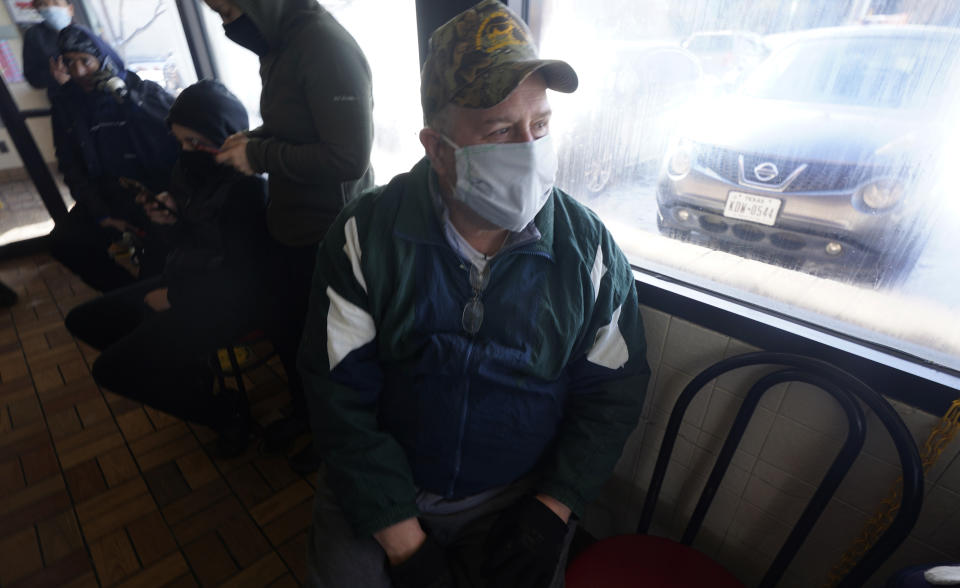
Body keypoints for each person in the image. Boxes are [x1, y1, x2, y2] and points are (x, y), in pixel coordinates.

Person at [297, 2, 650, 586]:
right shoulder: (366, 237)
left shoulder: (588, 254)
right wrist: (405, 543)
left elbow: (612, 395)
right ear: (437, 149)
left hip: (515, 494)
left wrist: (553, 508)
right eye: (500, 131)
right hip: (385, 482)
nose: (530, 149)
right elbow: (338, 397)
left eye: (540, 125)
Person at [201, 0, 375, 471]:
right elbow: (296, 125)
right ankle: (308, 415)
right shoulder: (281, 42)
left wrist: (259, 157)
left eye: (229, 9)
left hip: (328, 232)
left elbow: (348, 159)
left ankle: (334, 442)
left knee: (328, 351)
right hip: (291, 222)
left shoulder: (325, 46)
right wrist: (253, 140)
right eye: (218, 13)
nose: (227, 23)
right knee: (290, 332)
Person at [64, 80, 276, 456]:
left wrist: (176, 296)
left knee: (110, 370)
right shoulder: (187, 173)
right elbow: (190, 239)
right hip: (187, 281)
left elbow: (246, 279)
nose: (187, 152)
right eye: (180, 142)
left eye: (196, 142)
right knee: (83, 320)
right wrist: (169, 221)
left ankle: (223, 413)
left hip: (225, 304)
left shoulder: (247, 189)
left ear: (223, 137)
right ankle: (191, 375)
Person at [50, 25, 178, 292]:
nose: (78, 72)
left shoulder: (140, 91)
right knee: (64, 242)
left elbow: (175, 140)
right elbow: (69, 163)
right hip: (106, 195)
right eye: (69, 62)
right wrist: (102, 214)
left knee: (162, 255)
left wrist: (125, 98)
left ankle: (157, 290)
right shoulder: (66, 105)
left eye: (85, 60)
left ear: (104, 58)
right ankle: (123, 292)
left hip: (153, 191)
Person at [22, 0, 73, 95]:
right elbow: (32, 76)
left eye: (56, 3)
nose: (50, 9)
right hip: (62, 99)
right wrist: (53, 75)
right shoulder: (34, 35)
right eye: (43, 4)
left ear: (70, 9)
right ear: (37, 9)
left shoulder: (84, 32)